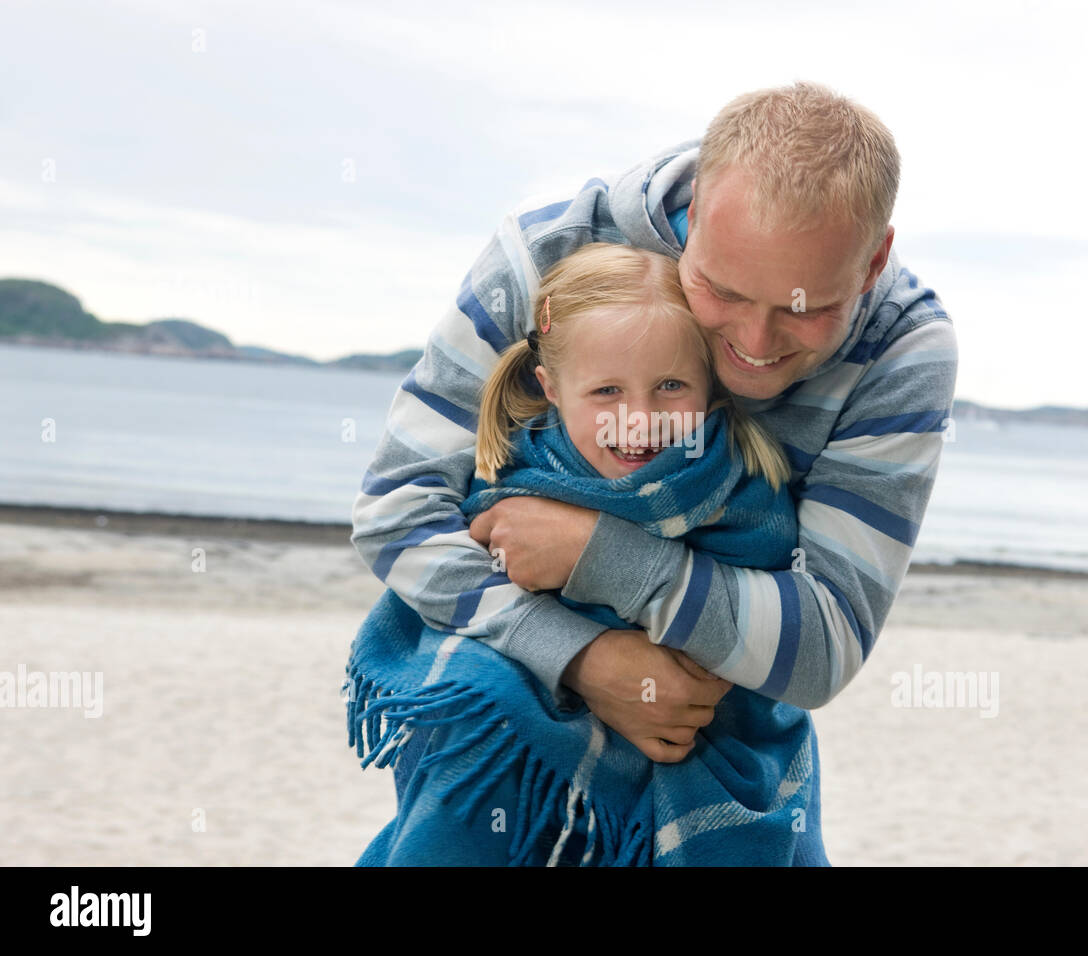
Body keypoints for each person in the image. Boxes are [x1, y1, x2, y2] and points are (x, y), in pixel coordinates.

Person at [350, 81, 957, 822]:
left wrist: (596, 552)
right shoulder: (545, 255)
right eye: (722, 291)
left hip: (721, 751)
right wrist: (583, 658)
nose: (753, 347)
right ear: (695, 214)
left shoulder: (903, 347)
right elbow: (396, 509)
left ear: (872, 262)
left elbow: (823, 647)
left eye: (808, 310)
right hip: (506, 741)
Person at [347, 242, 827, 865]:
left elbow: (766, 622)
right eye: (606, 391)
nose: (638, 419)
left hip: (687, 718)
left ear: (710, 384)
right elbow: (464, 601)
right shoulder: (519, 476)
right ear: (550, 387)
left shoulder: (738, 488)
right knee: (477, 708)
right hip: (542, 691)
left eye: (671, 386)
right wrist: (579, 655)